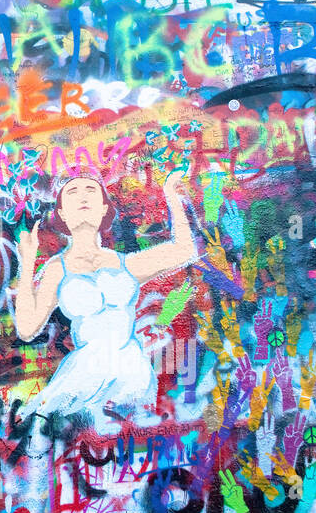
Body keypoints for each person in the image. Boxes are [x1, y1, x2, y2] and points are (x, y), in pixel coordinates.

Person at [13, 169, 197, 430]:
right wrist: (27, 262)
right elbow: (27, 328)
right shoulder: (57, 269)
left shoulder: (126, 264)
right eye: (72, 193)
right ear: (62, 213)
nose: (82, 197)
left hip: (132, 372)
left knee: (133, 435)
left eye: (90, 191)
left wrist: (171, 195)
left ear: (103, 208)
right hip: (84, 375)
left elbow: (184, 251)